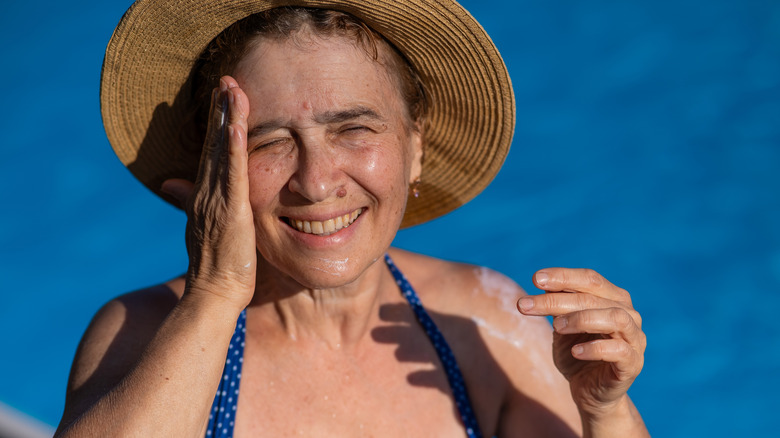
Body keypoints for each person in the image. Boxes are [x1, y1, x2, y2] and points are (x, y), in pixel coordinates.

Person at [56, 1, 648, 437]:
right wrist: (216, 294)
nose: (317, 182)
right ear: (215, 168)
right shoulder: (139, 334)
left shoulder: (482, 325)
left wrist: (604, 413)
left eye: (353, 129)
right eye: (268, 143)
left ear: (415, 148)